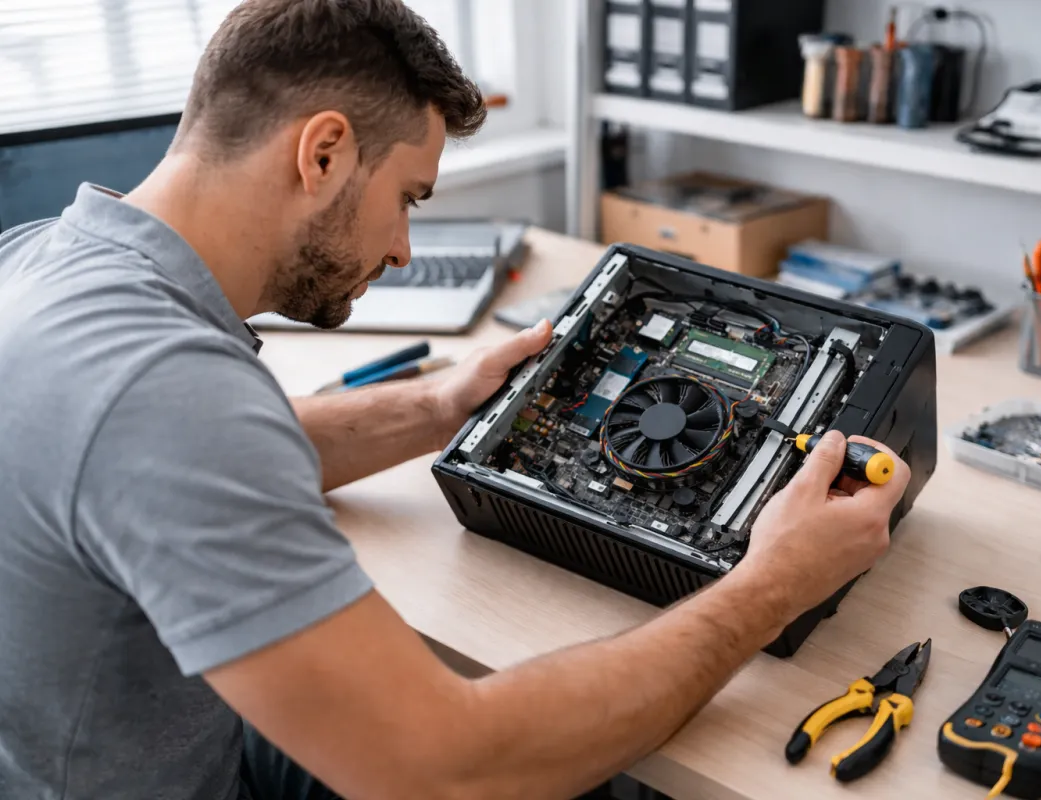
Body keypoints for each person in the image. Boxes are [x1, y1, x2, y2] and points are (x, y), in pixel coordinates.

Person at [0, 1, 912, 799]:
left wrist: (445, 408)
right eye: (409, 198)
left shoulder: (43, 259)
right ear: (322, 151)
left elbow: (199, 461)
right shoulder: (168, 395)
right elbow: (451, 772)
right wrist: (767, 589)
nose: (401, 247)